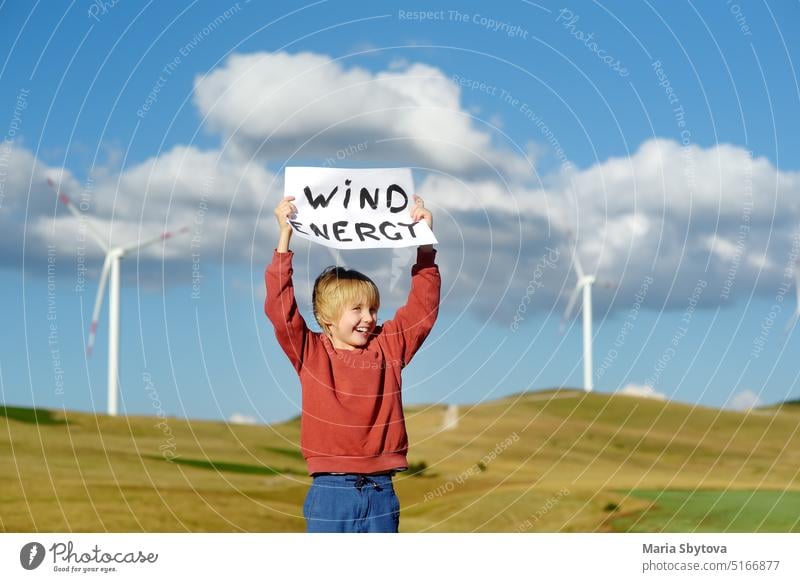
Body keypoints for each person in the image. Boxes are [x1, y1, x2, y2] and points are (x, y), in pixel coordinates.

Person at [265, 193, 441, 533]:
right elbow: (280, 307)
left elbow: (424, 308)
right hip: (331, 492)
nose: (369, 318)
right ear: (327, 318)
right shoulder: (310, 352)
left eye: (372, 309)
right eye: (356, 309)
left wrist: (425, 246)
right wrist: (284, 239)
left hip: (382, 492)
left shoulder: (389, 347)